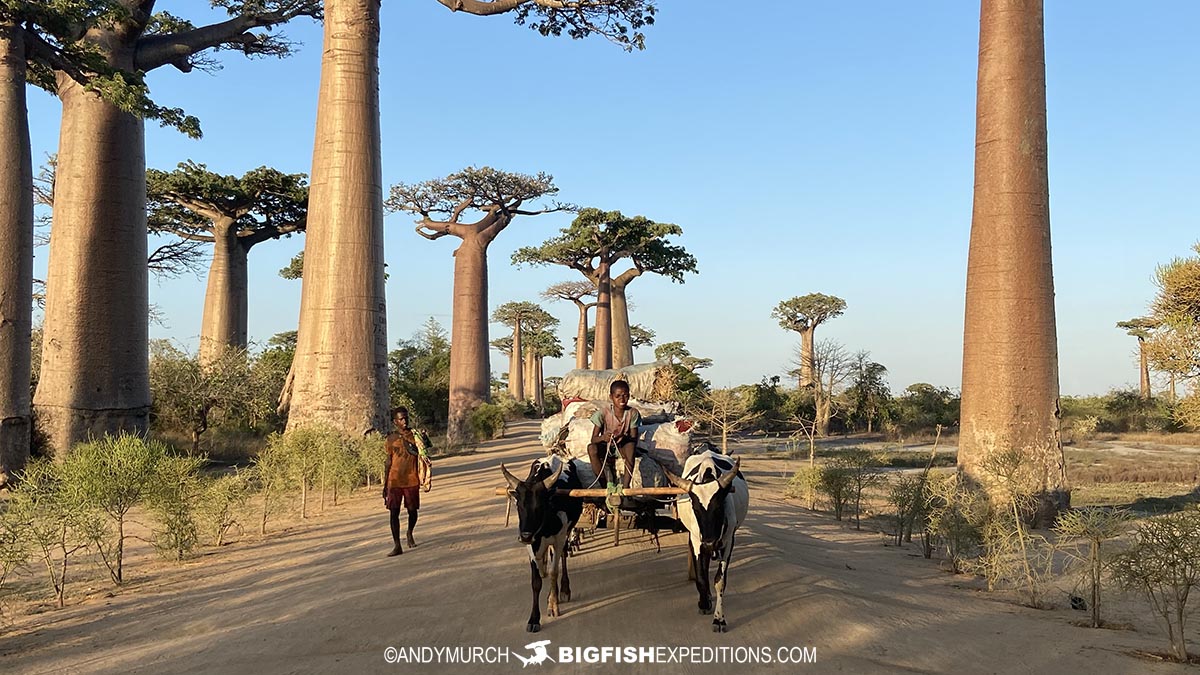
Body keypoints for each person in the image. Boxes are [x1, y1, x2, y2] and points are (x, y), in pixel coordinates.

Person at [383, 406, 429, 556]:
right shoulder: (390, 439)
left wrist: (425, 437)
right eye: (401, 419)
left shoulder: (415, 435)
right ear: (395, 421)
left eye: (406, 417)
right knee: (393, 513)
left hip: (411, 479)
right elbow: (388, 462)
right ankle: (397, 545)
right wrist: (385, 485)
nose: (405, 421)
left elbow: (425, 451)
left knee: (412, 511)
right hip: (394, 481)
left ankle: (409, 532)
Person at [587, 380, 642, 489]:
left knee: (631, 447)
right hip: (606, 447)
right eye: (618, 396)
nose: (622, 399)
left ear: (629, 396)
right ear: (611, 397)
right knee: (591, 448)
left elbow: (634, 438)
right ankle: (605, 486)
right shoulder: (603, 413)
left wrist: (622, 437)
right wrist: (604, 437)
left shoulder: (632, 413)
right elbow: (593, 439)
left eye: (625, 396)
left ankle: (625, 487)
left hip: (622, 447)